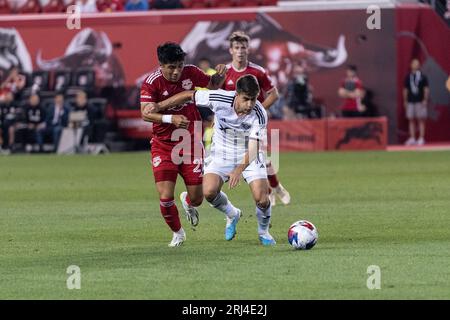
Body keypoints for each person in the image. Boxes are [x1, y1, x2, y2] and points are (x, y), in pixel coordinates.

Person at [144, 75, 276, 246]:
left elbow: (254, 148)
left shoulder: (259, 113)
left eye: (254, 99)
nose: (250, 104)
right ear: (237, 94)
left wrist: (238, 170)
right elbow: (188, 95)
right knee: (208, 192)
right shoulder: (220, 98)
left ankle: (263, 232)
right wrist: (159, 106)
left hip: (247, 155)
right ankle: (232, 214)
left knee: (262, 199)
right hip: (221, 154)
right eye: (246, 99)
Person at [140, 42, 226, 247]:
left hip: (191, 142)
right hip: (163, 144)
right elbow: (145, 113)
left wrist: (220, 76)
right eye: (171, 67)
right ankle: (178, 233)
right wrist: (171, 119)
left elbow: (212, 85)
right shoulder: (151, 83)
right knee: (166, 195)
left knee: (198, 199)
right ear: (161, 65)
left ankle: (187, 201)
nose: (176, 71)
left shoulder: (191, 72)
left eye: (179, 65)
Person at [222, 30, 290, 207]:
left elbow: (274, 94)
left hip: (253, 124)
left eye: (243, 47)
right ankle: (274, 187)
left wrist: (257, 110)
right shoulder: (224, 73)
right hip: (231, 126)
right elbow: (219, 98)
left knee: (259, 155)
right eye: (236, 47)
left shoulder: (257, 71)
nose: (240, 51)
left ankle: (272, 189)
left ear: (248, 49)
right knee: (250, 156)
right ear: (230, 50)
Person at [403, 59, 429, 146]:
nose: (415, 65)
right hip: (410, 101)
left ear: (419, 66)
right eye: (414, 63)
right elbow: (405, 90)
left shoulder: (423, 77)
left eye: (417, 64)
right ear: (411, 65)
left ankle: (421, 138)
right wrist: (405, 100)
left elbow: (426, 89)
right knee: (411, 119)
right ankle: (412, 138)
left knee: (420, 119)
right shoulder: (408, 77)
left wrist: (425, 99)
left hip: (420, 101)